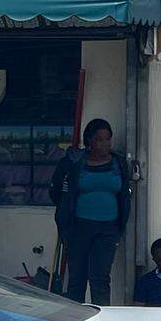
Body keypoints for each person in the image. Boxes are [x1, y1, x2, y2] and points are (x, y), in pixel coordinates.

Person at [50, 118, 132, 305]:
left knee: (100, 277)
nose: (104, 144)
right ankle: (75, 319)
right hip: (78, 227)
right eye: (99, 140)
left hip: (108, 228)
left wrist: (121, 226)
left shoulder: (118, 162)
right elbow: (57, 192)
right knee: (76, 278)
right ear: (89, 141)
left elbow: (124, 194)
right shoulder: (74, 163)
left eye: (108, 139)